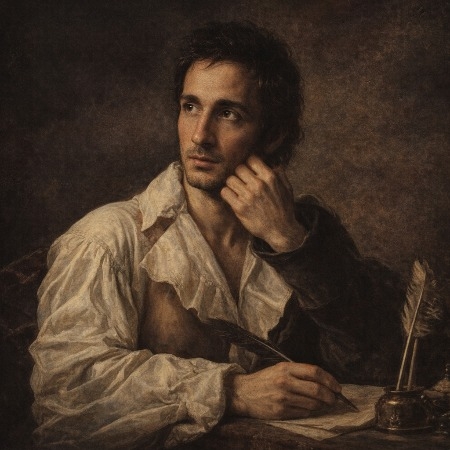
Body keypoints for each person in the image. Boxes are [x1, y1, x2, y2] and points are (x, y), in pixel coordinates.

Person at [29, 21, 407, 449]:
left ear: (273, 134)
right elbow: (67, 389)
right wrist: (233, 391)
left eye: (229, 114)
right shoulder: (108, 239)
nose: (200, 135)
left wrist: (290, 243)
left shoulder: (302, 233)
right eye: (190, 106)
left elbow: (383, 368)